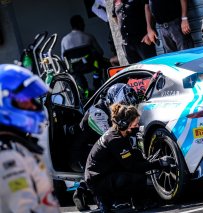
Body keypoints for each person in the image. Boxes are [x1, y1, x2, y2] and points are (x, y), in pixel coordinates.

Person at [84, 103, 175, 212]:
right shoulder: (114, 139)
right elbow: (133, 166)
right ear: (124, 123)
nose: (137, 126)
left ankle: (134, 201)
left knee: (137, 155)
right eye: (135, 124)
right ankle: (130, 202)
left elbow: (133, 157)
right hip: (97, 181)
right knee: (136, 176)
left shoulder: (119, 133)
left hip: (103, 173)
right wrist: (159, 163)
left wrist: (149, 162)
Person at [0, 64, 60, 212]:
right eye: (25, 101)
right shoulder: (7, 155)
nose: (34, 107)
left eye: (32, 101)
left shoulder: (16, 145)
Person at [71, 83, 140, 211]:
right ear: (112, 99)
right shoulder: (97, 113)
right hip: (82, 155)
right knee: (116, 156)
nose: (124, 109)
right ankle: (104, 199)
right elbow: (111, 139)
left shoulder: (112, 111)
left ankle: (82, 190)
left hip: (96, 152)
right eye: (123, 104)